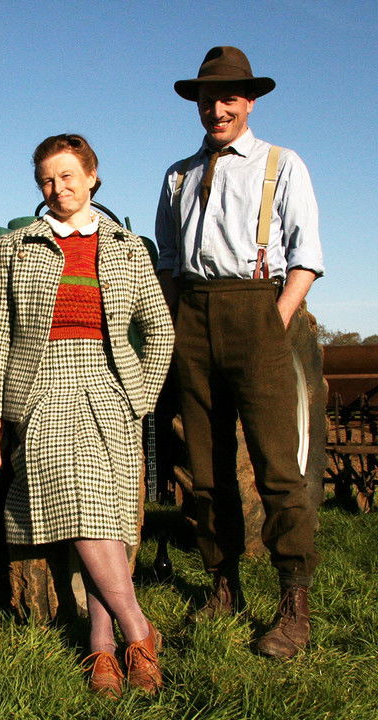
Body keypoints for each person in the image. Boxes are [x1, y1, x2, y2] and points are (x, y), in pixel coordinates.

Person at [0, 134, 174, 696]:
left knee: (104, 515)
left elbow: (159, 330)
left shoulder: (128, 247)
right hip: (41, 386)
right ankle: (138, 628)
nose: (57, 188)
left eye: (68, 176)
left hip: (109, 384)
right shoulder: (18, 247)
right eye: (46, 179)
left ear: (92, 177)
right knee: (86, 500)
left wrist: (138, 396)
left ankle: (102, 645)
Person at [155, 46, 325, 659]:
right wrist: (178, 319)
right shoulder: (177, 174)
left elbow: (306, 258)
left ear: (249, 102)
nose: (217, 107)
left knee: (280, 468)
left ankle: (292, 603)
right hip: (194, 317)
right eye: (207, 98)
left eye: (229, 97)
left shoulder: (282, 164)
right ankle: (222, 584)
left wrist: (275, 322)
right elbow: (169, 258)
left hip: (259, 311)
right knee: (206, 469)